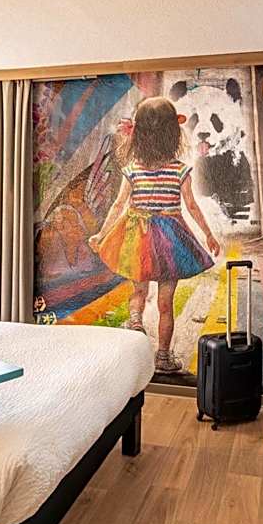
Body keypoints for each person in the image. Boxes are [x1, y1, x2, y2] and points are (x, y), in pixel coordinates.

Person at [88, 96, 221, 373]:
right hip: (171, 241)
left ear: (138, 135)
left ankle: (135, 321)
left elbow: (118, 205)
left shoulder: (132, 170)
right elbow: (192, 206)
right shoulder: (180, 170)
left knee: (138, 291)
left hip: (137, 238)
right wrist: (208, 235)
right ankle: (162, 357)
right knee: (165, 304)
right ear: (172, 134)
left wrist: (101, 235)